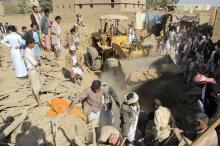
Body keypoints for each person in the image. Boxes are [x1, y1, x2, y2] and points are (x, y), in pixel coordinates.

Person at [24, 38, 41, 106]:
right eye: (33, 43)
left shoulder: (30, 50)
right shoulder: (27, 52)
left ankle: (35, 97)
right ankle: (40, 103)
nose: (34, 44)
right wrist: (38, 60)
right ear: (29, 44)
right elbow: (34, 63)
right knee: (35, 86)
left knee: (36, 84)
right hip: (32, 70)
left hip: (34, 70)